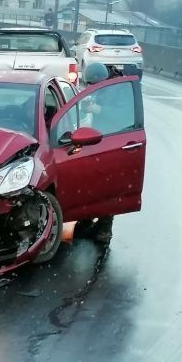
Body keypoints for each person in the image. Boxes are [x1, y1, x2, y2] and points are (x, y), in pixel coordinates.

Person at [74, 61, 121, 244]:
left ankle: (104, 228)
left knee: (108, 187)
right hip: (97, 140)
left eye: (94, 85)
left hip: (114, 143)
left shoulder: (119, 90)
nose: (92, 88)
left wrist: (99, 109)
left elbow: (122, 115)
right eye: (89, 85)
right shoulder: (103, 88)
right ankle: (87, 222)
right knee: (92, 183)